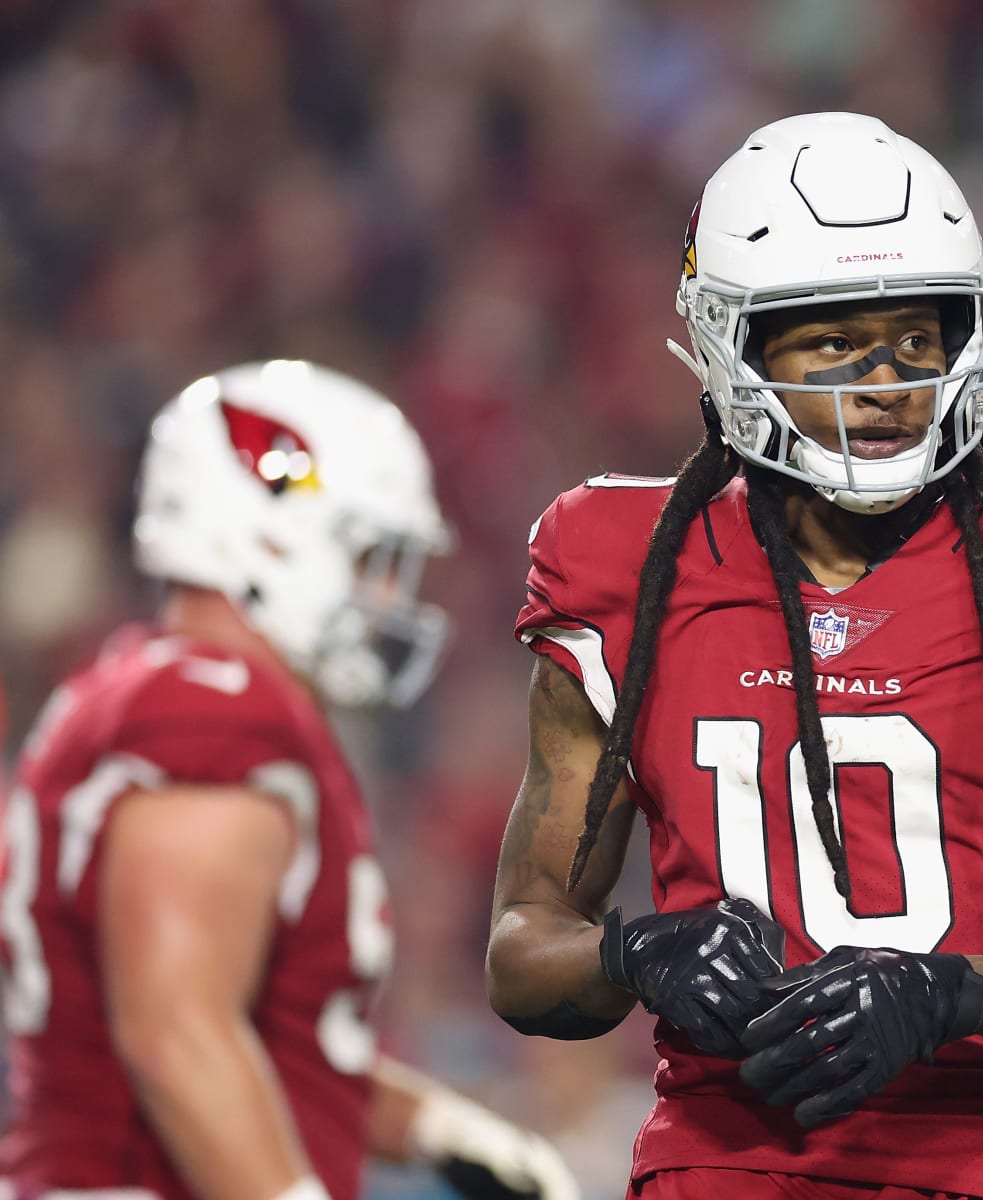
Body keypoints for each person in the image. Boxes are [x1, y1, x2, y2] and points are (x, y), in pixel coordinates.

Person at [486, 112, 983, 1199]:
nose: (885, 380)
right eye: (833, 339)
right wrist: (633, 956)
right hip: (721, 1165)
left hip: (982, 1162)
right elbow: (522, 950)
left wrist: (952, 996)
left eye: (915, 337)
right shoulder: (620, 566)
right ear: (728, 345)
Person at [0, 361, 578, 1200]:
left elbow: (266, 1045)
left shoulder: (155, 689)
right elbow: (177, 1035)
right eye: (373, 558)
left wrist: (435, 1127)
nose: (390, 596)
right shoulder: (212, 719)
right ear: (266, 532)